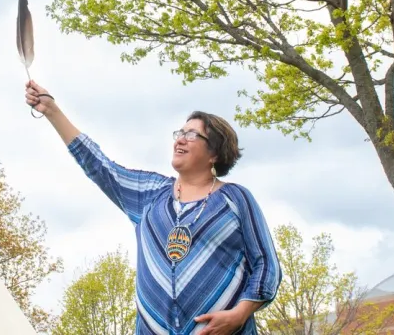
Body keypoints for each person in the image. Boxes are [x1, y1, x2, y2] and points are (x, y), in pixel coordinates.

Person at [23, 80, 282, 335]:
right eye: (179, 133)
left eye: (192, 135)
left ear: (215, 153)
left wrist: (239, 314)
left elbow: (266, 265)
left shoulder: (235, 199)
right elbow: (100, 166)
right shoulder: (150, 194)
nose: (180, 140)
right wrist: (52, 111)